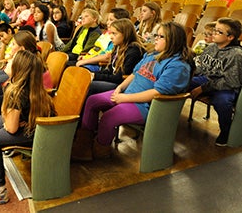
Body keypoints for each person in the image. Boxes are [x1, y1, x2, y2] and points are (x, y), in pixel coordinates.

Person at [71, 21, 193, 161]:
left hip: (145, 106)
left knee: (108, 117)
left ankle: (101, 149)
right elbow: (135, 74)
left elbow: (157, 93)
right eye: (156, 36)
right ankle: (85, 142)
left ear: (173, 40)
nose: (156, 39)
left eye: (161, 37)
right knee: (92, 101)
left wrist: (124, 98)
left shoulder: (178, 65)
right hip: (128, 95)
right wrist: (120, 88)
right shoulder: (152, 54)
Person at [0, 50, 55, 205]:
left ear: (18, 69)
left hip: (39, 132)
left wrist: (9, 122)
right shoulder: (24, 85)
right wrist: (10, 121)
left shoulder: (16, 91)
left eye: (11, 61)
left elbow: (11, 128)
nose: (7, 61)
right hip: (37, 126)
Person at [190, 18, 242, 146]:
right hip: (207, 80)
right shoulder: (212, 47)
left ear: (230, 37)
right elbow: (201, 67)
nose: (213, 33)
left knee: (222, 102)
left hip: (226, 87)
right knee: (182, 82)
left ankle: (226, 131)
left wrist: (203, 89)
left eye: (218, 32)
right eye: (214, 30)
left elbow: (231, 82)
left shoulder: (236, 54)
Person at [86, 18, 145, 97]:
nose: (111, 37)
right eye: (110, 33)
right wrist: (91, 74)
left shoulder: (134, 51)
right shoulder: (118, 46)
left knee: (89, 86)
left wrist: (95, 76)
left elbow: (119, 77)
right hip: (113, 80)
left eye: (114, 34)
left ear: (125, 34)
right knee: (84, 79)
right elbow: (110, 70)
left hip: (122, 85)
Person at [76, 8, 130, 72]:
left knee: (79, 72)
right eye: (107, 20)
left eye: (111, 20)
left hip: (100, 65)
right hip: (91, 60)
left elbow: (107, 57)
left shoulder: (117, 38)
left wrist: (86, 60)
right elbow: (96, 49)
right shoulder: (106, 34)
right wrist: (86, 56)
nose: (107, 22)